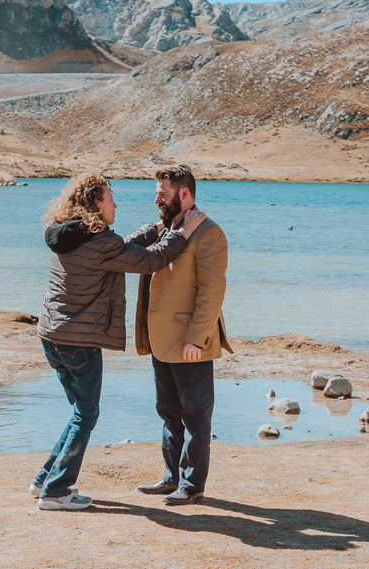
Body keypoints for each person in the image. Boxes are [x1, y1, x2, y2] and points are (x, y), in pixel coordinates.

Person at [33, 172, 205, 511]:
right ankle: (56, 490)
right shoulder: (100, 243)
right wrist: (183, 232)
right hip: (78, 343)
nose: (116, 204)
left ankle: (45, 478)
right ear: (96, 203)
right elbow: (152, 260)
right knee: (86, 415)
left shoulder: (71, 234)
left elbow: (120, 248)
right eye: (111, 198)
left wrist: (156, 228)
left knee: (80, 412)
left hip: (52, 339)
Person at [132, 164, 230, 505]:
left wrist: (197, 338)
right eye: (157, 192)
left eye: (164, 193)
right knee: (169, 413)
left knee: (196, 418)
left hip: (190, 344)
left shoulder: (209, 233)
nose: (157, 198)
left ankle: (192, 485)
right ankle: (171, 477)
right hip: (161, 341)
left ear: (184, 194)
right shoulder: (166, 229)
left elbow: (212, 292)